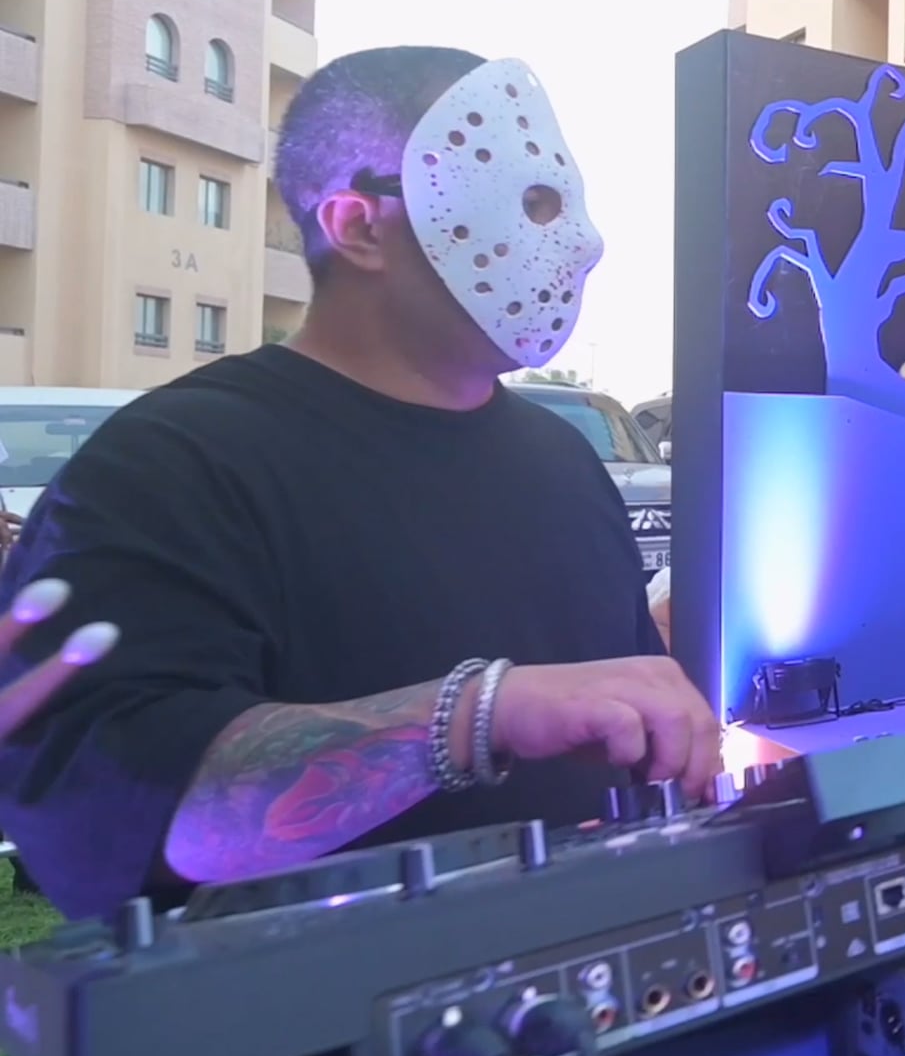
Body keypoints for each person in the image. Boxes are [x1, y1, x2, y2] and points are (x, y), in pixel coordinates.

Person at [0, 46, 721, 921]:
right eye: (533, 202)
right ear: (358, 226)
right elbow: (109, 813)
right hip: (309, 1003)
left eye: (567, 202)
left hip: (589, 981)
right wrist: (477, 715)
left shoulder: (562, 458)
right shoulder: (171, 464)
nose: (583, 243)